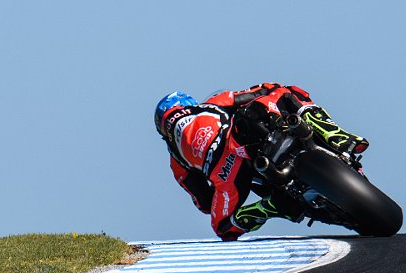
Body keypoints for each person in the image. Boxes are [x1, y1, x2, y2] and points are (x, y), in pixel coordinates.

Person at [154, 83, 369, 241]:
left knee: (222, 227)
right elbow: (259, 92)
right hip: (237, 137)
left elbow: (204, 203)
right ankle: (338, 136)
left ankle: (269, 207)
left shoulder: (176, 162)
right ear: (187, 104)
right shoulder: (210, 104)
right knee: (287, 92)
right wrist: (271, 93)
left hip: (228, 173)